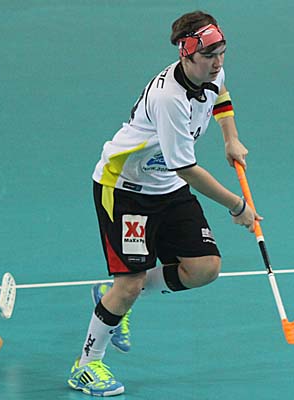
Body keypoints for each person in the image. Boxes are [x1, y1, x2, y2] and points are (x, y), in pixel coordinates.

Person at [67, 10, 260, 396]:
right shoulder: (169, 98)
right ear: (186, 53)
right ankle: (86, 366)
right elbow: (186, 168)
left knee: (204, 268)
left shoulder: (211, 72)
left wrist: (230, 137)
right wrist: (236, 205)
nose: (218, 63)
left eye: (222, 53)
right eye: (209, 56)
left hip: (166, 186)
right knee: (130, 284)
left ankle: (110, 296)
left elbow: (221, 96)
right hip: (125, 189)